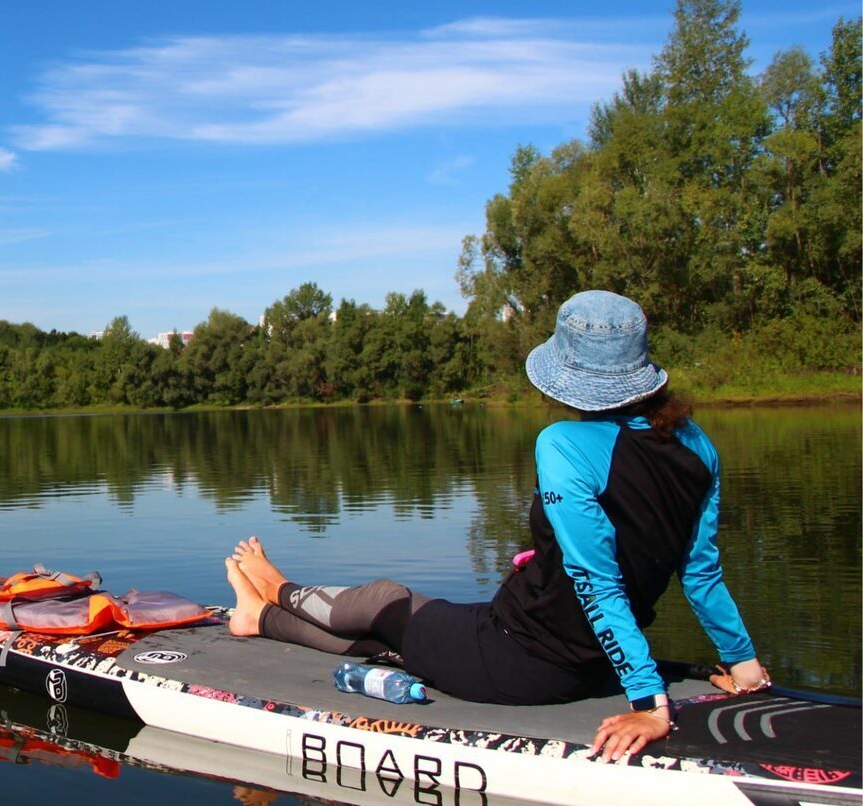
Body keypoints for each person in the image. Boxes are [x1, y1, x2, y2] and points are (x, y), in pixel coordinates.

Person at [223, 289, 772, 763]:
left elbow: (597, 580)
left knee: (384, 603)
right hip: (581, 653)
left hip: (517, 659)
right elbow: (699, 571)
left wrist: (651, 707)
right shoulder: (696, 444)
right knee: (388, 638)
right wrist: (743, 665)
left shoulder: (564, 444)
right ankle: (259, 619)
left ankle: (278, 591)